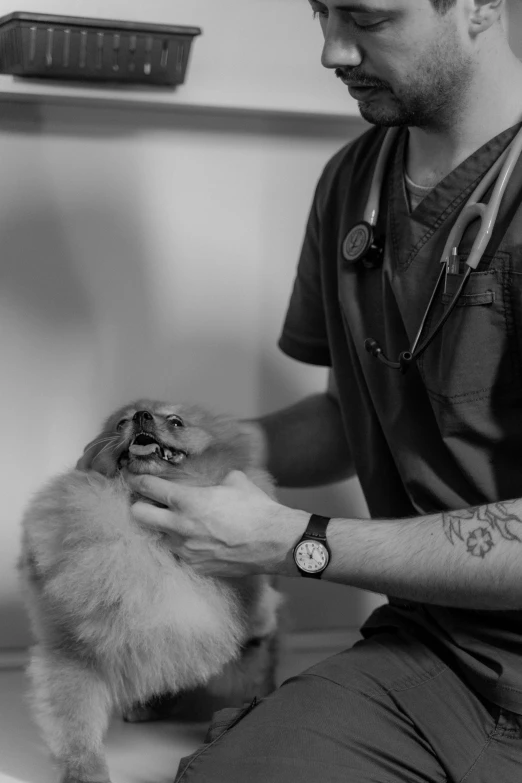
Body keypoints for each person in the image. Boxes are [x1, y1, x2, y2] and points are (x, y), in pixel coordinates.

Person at [87, 1, 522, 780]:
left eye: (366, 17)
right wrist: (202, 458)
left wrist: (296, 540)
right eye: (319, 11)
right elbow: (347, 413)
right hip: (435, 658)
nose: (330, 50)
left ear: (484, 6)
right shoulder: (354, 181)